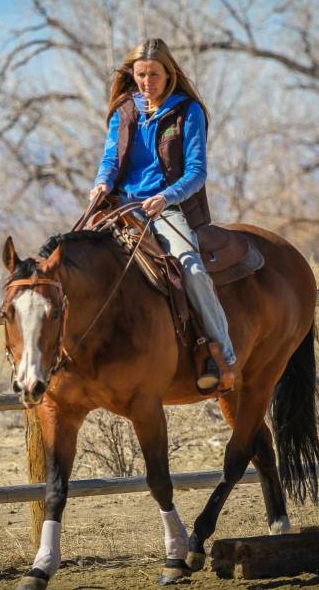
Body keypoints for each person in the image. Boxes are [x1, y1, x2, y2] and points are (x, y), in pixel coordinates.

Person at [89, 38, 235, 391]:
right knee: (77, 265)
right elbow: (110, 159)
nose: (146, 82)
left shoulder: (187, 111)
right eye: (140, 74)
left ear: (169, 74)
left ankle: (223, 356)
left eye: (153, 74)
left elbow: (197, 172)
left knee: (192, 268)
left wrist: (165, 197)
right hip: (121, 207)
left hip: (165, 209)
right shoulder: (124, 110)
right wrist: (102, 182)